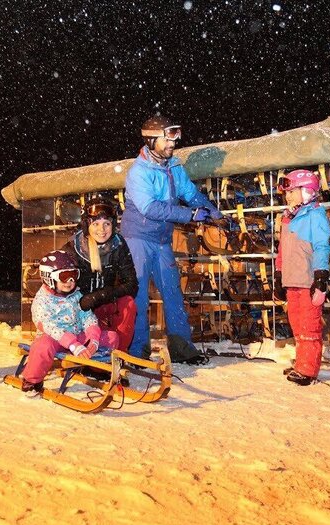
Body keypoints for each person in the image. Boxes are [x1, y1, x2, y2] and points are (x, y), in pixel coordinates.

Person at [120, 115, 223, 363]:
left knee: (173, 293)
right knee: (139, 296)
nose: (172, 144)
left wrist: (214, 213)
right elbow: (150, 208)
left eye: (174, 138)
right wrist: (190, 215)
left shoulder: (173, 167)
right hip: (138, 239)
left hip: (161, 239)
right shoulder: (139, 172)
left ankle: (181, 349)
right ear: (152, 139)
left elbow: (189, 193)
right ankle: (137, 352)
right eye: (168, 139)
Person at [23, 250, 120, 396]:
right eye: (64, 276)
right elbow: (49, 327)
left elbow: (87, 316)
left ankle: (93, 369)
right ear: (49, 277)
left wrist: (93, 339)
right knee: (42, 346)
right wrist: (73, 345)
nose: (70, 281)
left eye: (74, 276)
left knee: (111, 337)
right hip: (55, 340)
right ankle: (32, 380)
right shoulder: (41, 301)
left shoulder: (77, 295)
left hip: (77, 338)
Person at [274, 169, 330, 386]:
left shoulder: (315, 215)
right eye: (286, 193)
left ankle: (308, 370)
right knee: (296, 324)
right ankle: (301, 362)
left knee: (309, 326)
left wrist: (320, 277)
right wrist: (279, 275)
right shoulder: (287, 218)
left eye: (292, 191)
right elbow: (282, 251)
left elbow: (321, 247)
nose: (287, 196)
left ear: (307, 191)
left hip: (308, 281)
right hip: (292, 281)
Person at [60, 197, 138, 352]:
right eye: (95, 224)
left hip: (103, 304)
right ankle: (87, 350)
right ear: (87, 225)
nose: (102, 230)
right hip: (79, 309)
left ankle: (119, 355)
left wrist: (100, 296)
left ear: (113, 225)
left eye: (106, 224)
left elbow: (131, 285)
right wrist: (82, 300)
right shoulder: (73, 249)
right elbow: (60, 287)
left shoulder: (119, 245)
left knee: (128, 303)